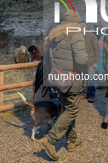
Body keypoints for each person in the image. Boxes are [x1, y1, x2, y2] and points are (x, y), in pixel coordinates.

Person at [40, 11, 88, 161]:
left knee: (67, 109)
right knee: (72, 109)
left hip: (58, 79)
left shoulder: (53, 36)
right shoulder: (76, 35)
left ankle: (72, 140)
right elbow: (81, 60)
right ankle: (50, 140)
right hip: (72, 79)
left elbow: (47, 60)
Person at [81, 23, 101, 103]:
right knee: (83, 79)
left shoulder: (92, 36)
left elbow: (97, 50)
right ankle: (85, 93)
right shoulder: (78, 37)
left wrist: (96, 61)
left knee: (90, 79)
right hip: (81, 62)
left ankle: (91, 94)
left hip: (90, 61)